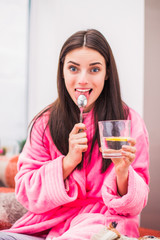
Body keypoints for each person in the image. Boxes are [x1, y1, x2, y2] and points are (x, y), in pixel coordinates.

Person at [0, 29, 149, 240]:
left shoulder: (129, 122)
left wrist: (123, 172)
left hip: (103, 225)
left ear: (107, 73)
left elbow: (135, 206)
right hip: (47, 226)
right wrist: (68, 162)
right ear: (63, 71)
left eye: (94, 70)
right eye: (73, 68)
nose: (82, 80)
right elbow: (25, 191)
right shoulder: (44, 124)